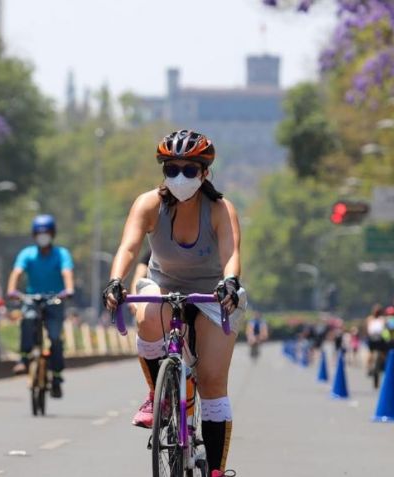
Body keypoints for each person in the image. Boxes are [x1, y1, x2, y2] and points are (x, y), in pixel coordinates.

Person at [103, 130, 245, 477]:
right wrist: (115, 281)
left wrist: (229, 283)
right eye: (171, 169)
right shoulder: (148, 204)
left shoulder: (220, 209)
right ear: (163, 172)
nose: (179, 177)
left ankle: (215, 470)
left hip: (213, 295)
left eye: (189, 170)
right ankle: (159, 394)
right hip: (164, 287)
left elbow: (231, 254)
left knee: (212, 382)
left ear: (204, 173)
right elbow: (128, 247)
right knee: (147, 310)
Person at [6, 214, 75, 398]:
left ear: (52, 234)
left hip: (55, 300)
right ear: (34, 235)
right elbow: (17, 272)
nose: (42, 236)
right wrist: (12, 290)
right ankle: (23, 357)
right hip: (31, 298)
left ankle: (57, 376)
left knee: (54, 337)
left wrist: (68, 289)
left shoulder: (62, 254)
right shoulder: (27, 253)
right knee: (27, 320)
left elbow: (67, 272)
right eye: (39, 233)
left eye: (46, 233)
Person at [365, 304, 385, 374]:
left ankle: (382, 365)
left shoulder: (382, 319)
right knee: (370, 352)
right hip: (372, 338)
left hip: (380, 338)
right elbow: (368, 329)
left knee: (383, 352)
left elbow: (384, 328)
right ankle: (369, 366)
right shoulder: (370, 319)